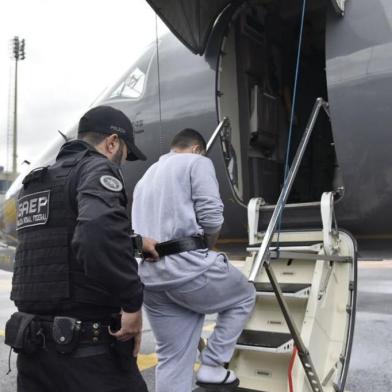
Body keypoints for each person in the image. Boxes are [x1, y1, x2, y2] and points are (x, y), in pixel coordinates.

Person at [6, 105, 158, 392]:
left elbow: (62, 239)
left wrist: (133, 242)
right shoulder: (97, 167)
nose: (122, 163)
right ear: (112, 142)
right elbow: (95, 234)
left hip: (34, 353)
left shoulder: (35, 182)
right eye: (124, 154)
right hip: (88, 356)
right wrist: (131, 302)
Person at [132, 128, 256, 392]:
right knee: (244, 296)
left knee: (173, 360)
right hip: (187, 268)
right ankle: (212, 364)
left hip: (151, 279)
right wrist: (207, 248)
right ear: (197, 148)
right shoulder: (197, 162)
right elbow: (211, 217)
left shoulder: (145, 177)